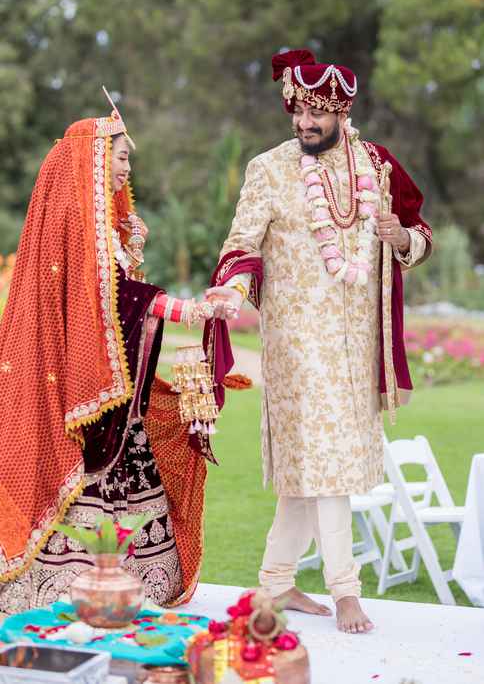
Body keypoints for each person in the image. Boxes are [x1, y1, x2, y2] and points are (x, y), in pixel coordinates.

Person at [205, 49, 432, 634]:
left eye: (318, 113)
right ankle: (346, 592)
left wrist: (401, 234)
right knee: (324, 469)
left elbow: (421, 234)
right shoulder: (270, 169)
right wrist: (231, 288)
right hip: (297, 349)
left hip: (356, 351)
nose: (305, 123)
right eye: (299, 111)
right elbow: (242, 244)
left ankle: (276, 584)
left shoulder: (377, 167)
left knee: (311, 474)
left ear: (342, 111)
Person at [0, 94, 214, 613]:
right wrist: (183, 310)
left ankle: (127, 582)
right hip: (82, 389)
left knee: (127, 471)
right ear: (95, 158)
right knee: (86, 476)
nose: (127, 167)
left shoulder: (107, 228)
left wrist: (131, 250)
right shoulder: (76, 219)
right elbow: (110, 298)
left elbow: (116, 296)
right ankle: (66, 586)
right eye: (120, 156)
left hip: (114, 394)